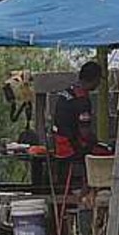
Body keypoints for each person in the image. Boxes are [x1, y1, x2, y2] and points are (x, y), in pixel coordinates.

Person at [49, 60, 104, 192]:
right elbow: (84, 133)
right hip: (72, 149)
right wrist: (97, 142)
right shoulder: (82, 100)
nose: (99, 83)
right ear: (94, 79)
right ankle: (95, 190)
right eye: (99, 79)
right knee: (107, 154)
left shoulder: (67, 92)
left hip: (59, 145)